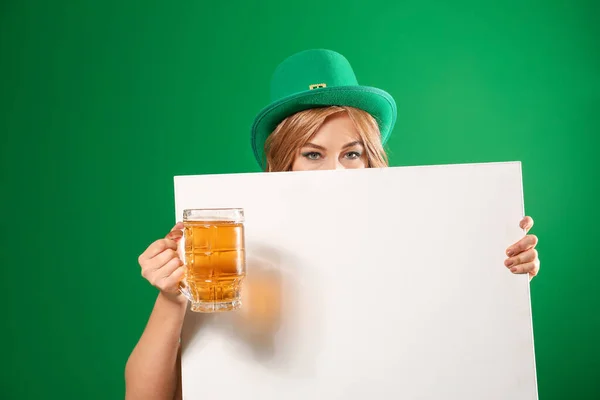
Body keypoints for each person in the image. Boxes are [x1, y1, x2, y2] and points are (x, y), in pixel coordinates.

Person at [124, 49, 540, 400]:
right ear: (280, 164)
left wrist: (502, 272)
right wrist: (173, 296)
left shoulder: (423, 242)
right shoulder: (226, 251)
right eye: (313, 154)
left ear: (373, 161)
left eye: (353, 154)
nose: (335, 171)